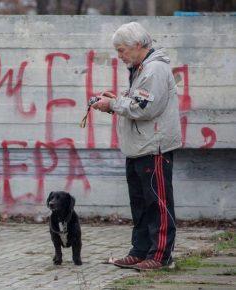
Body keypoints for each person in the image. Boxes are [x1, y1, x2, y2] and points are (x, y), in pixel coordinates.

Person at [92, 22, 181, 271]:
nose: (120, 56)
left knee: (158, 204)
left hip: (154, 148)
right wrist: (117, 100)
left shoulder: (154, 70)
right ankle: (140, 251)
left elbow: (144, 108)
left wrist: (112, 105)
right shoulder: (141, 68)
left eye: (122, 50)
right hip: (138, 147)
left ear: (138, 45)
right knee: (140, 204)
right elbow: (137, 100)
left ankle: (161, 255)